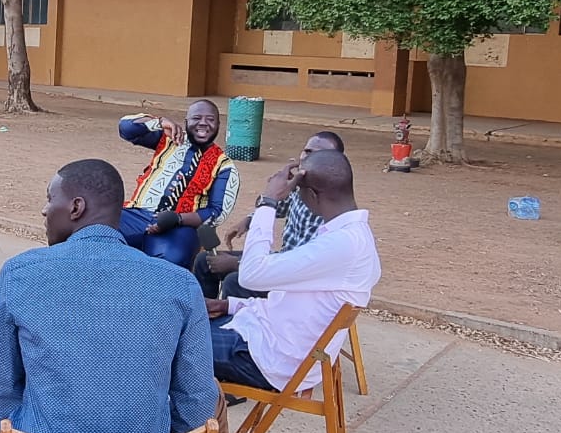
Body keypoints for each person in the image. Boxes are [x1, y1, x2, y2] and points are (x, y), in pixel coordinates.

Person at [0, 159, 242, 433]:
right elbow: (193, 404)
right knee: (208, 396)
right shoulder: (178, 283)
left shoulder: (21, 272)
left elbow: (2, 388)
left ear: (75, 207)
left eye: (49, 198)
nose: (43, 209)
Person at [205, 149, 381, 394]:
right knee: (171, 323)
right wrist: (231, 306)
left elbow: (251, 274)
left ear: (312, 194)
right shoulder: (348, 236)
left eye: (298, 191)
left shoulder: (343, 245)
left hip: (269, 360)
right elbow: (293, 308)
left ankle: (182, 425)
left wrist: (268, 202)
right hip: (264, 339)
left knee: (157, 339)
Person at [193, 131, 345, 299]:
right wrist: (250, 218)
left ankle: (232, 323)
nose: (306, 157)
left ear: (334, 163)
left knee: (235, 281)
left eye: (317, 154)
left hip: (295, 281)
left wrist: (238, 264)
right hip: (281, 260)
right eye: (306, 151)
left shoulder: (328, 205)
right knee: (204, 261)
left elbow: (297, 267)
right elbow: (275, 207)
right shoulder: (301, 185)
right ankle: (203, 319)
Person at [118, 100, 240, 268]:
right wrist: (160, 122)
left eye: (210, 119)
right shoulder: (169, 140)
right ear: (186, 122)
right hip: (136, 214)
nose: (203, 123)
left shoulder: (224, 166)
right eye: (196, 118)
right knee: (93, 231)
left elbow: (217, 212)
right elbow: (126, 128)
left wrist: (177, 219)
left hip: (179, 227)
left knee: (171, 261)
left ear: (218, 124)